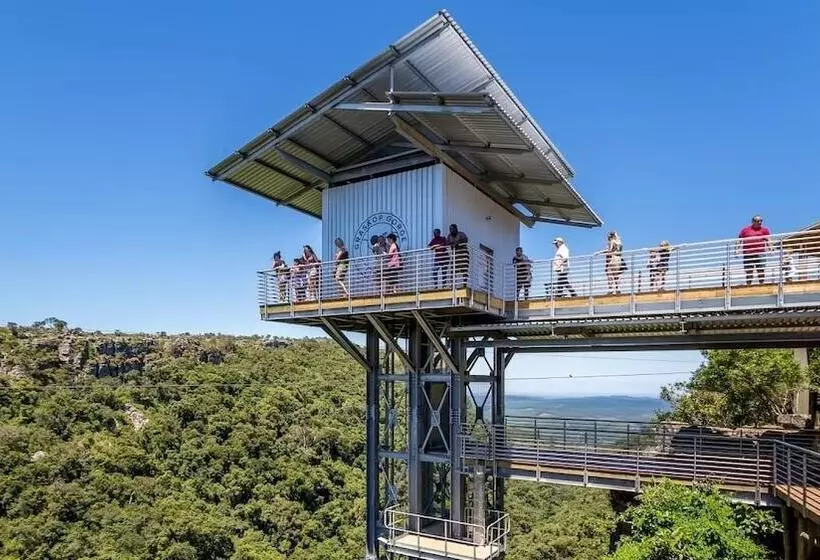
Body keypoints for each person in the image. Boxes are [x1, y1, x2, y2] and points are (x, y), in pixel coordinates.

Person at [737, 216, 771, 285]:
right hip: (748, 253)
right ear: (753, 221)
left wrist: (771, 249)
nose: (760, 222)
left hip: (760, 253)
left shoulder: (765, 230)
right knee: (749, 271)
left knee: (761, 270)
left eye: (761, 220)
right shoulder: (744, 230)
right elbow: (739, 241)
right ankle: (748, 286)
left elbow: (769, 240)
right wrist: (737, 250)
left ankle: (762, 285)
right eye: (758, 221)